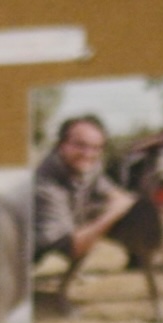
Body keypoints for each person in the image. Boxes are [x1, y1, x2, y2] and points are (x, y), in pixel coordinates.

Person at [32, 114, 134, 270]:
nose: (88, 154)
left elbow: (111, 191)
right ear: (61, 145)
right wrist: (114, 212)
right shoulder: (45, 184)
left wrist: (120, 199)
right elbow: (72, 249)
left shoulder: (88, 166)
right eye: (80, 145)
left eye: (96, 147)